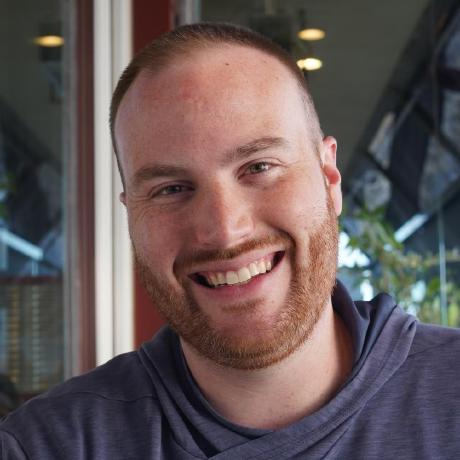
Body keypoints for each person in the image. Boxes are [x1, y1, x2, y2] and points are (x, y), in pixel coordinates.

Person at [1, 22, 460, 459]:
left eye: (259, 167)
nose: (224, 230)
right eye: (171, 189)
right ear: (131, 215)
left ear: (329, 177)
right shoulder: (45, 447)